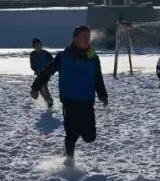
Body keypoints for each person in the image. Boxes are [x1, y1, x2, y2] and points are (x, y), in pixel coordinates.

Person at [31, 25, 108, 166]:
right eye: (83, 37)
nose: (87, 40)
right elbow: (47, 71)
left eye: (88, 37)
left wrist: (102, 94)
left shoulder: (92, 56)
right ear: (75, 38)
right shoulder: (64, 56)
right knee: (71, 132)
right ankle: (69, 157)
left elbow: (97, 77)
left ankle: (70, 145)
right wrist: (35, 87)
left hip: (87, 100)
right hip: (69, 100)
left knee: (90, 137)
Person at [29, 39, 55, 108]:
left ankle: (49, 101)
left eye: (39, 45)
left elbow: (53, 62)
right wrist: (36, 70)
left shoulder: (46, 53)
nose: (38, 47)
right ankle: (48, 101)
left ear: (41, 45)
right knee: (41, 88)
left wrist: (49, 69)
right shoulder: (32, 54)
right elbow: (32, 65)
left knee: (43, 86)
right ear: (34, 47)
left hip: (46, 73)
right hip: (39, 73)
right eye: (36, 46)